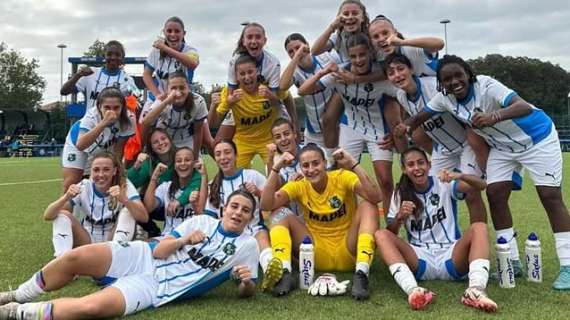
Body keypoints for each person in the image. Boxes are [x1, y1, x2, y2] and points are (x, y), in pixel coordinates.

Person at [398, 54, 570, 289]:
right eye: (447, 79)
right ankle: (511, 261)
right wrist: (404, 126)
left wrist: (493, 116)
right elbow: (421, 115)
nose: (454, 82)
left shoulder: (487, 85)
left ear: (468, 74)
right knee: (495, 194)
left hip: (537, 138)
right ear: (441, 83)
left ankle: (568, 266)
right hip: (502, 147)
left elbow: (521, 105)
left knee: (550, 196)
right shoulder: (444, 99)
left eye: (458, 75)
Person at [0, 190, 259, 319]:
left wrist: (245, 282)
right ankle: (16, 294)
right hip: (142, 255)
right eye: (234, 206)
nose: (238, 213)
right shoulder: (201, 221)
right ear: (224, 208)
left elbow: (247, 290)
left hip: (156, 287)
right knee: (74, 257)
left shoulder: (247, 246)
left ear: (250, 218)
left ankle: (15, 312)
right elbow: (158, 250)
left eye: (245, 211)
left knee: (91, 306)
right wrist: (184, 239)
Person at [376, 147, 497, 312]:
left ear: (429, 165)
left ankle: (476, 290)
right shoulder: (400, 193)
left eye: (421, 163)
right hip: (420, 259)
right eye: (411, 165)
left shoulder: (444, 183)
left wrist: (460, 175)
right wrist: (400, 217)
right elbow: (391, 233)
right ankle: (413, 290)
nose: (417, 168)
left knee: (479, 227)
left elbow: (481, 185)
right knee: (381, 234)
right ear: (404, 170)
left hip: (451, 255)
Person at [299, 32, 405, 212]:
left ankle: (390, 227)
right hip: (350, 128)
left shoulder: (382, 77)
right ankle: (349, 223)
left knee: (386, 181)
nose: (358, 60)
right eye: (353, 56)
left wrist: (397, 125)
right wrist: (323, 72)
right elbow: (303, 91)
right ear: (348, 55)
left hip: (378, 130)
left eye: (362, 54)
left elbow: (402, 97)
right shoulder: (339, 73)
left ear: (370, 54)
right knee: (345, 179)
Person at [260, 145, 382, 300]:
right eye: (305, 165)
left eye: (315, 163)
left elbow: (376, 196)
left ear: (325, 163)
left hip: (349, 249)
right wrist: (276, 168)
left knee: (369, 205)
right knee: (278, 213)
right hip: (313, 254)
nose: (311, 169)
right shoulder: (299, 184)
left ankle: (361, 274)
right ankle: (284, 274)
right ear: (300, 168)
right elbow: (266, 205)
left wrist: (352, 163)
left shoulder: (342, 176)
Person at [384, 53, 488, 223]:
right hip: (443, 150)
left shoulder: (434, 86)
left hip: (465, 145)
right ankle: (438, 239)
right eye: (391, 73)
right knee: (431, 189)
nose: (397, 75)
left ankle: (480, 236)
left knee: (471, 191)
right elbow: (416, 126)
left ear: (411, 69)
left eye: (401, 69)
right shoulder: (401, 96)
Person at [46, 152, 147, 257]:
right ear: (91, 172)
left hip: (112, 238)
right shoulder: (84, 186)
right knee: (62, 214)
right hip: (87, 239)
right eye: (96, 170)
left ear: (114, 171)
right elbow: (48, 215)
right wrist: (65, 197)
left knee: (128, 212)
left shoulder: (124, 185)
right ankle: (62, 260)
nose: (101, 175)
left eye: (106, 169)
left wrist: (124, 199)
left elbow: (144, 217)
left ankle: (118, 256)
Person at [204, 140, 275, 283]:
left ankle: (273, 271)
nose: (223, 157)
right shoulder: (213, 185)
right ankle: (237, 271)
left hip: (254, 230)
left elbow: (271, 201)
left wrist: (258, 192)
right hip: (227, 236)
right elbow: (209, 217)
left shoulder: (252, 175)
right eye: (218, 154)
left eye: (227, 152)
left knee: (261, 236)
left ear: (236, 156)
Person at [208, 55, 284, 168]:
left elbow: (286, 99)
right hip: (243, 140)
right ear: (236, 77)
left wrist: (271, 97)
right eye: (242, 74)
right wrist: (219, 104)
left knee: (278, 170)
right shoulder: (230, 93)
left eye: (250, 72)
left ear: (257, 72)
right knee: (232, 171)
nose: (247, 77)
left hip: (268, 139)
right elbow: (213, 124)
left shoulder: (268, 88)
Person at [61, 87, 136, 192]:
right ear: (99, 107)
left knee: (106, 180)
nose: (112, 112)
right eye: (107, 107)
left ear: (123, 107)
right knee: (72, 183)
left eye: (116, 107)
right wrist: (103, 123)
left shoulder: (129, 119)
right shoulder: (91, 116)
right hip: (78, 143)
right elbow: (80, 145)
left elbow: (119, 149)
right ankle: (65, 207)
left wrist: (119, 170)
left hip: (104, 145)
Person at [279, 33, 339, 160]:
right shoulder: (295, 72)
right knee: (311, 170)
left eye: (298, 47)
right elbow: (283, 85)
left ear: (307, 44)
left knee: (341, 169)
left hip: (337, 126)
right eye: (291, 51)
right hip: (314, 130)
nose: (296, 52)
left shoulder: (327, 57)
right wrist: (296, 57)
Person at [144, 147, 207, 235]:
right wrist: (154, 177)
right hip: (167, 237)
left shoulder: (202, 187)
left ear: (194, 164)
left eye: (187, 160)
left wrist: (204, 175)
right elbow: (149, 207)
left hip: (191, 240)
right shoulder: (166, 187)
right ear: (174, 165)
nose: (183, 163)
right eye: (178, 161)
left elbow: (202, 214)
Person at [140, 70, 206, 153]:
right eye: (173, 88)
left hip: (186, 140)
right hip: (164, 141)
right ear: (167, 90)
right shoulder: (161, 102)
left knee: (189, 163)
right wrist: (166, 102)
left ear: (188, 88)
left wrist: (195, 157)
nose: (178, 92)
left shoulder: (198, 101)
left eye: (182, 88)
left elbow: (198, 132)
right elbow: (146, 122)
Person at [60, 40, 137, 111]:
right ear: (104, 56)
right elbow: (64, 91)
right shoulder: (91, 73)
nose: (113, 57)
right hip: (91, 124)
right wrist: (78, 75)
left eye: (117, 55)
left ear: (122, 58)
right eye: (109, 54)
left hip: (116, 125)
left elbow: (134, 105)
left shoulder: (128, 80)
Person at [368, 15, 444, 77]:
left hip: (436, 86)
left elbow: (440, 44)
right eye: (376, 36)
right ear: (371, 41)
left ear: (395, 32)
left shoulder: (410, 48)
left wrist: (402, 42)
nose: (381, 38)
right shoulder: (380, 56)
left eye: (385, 33)